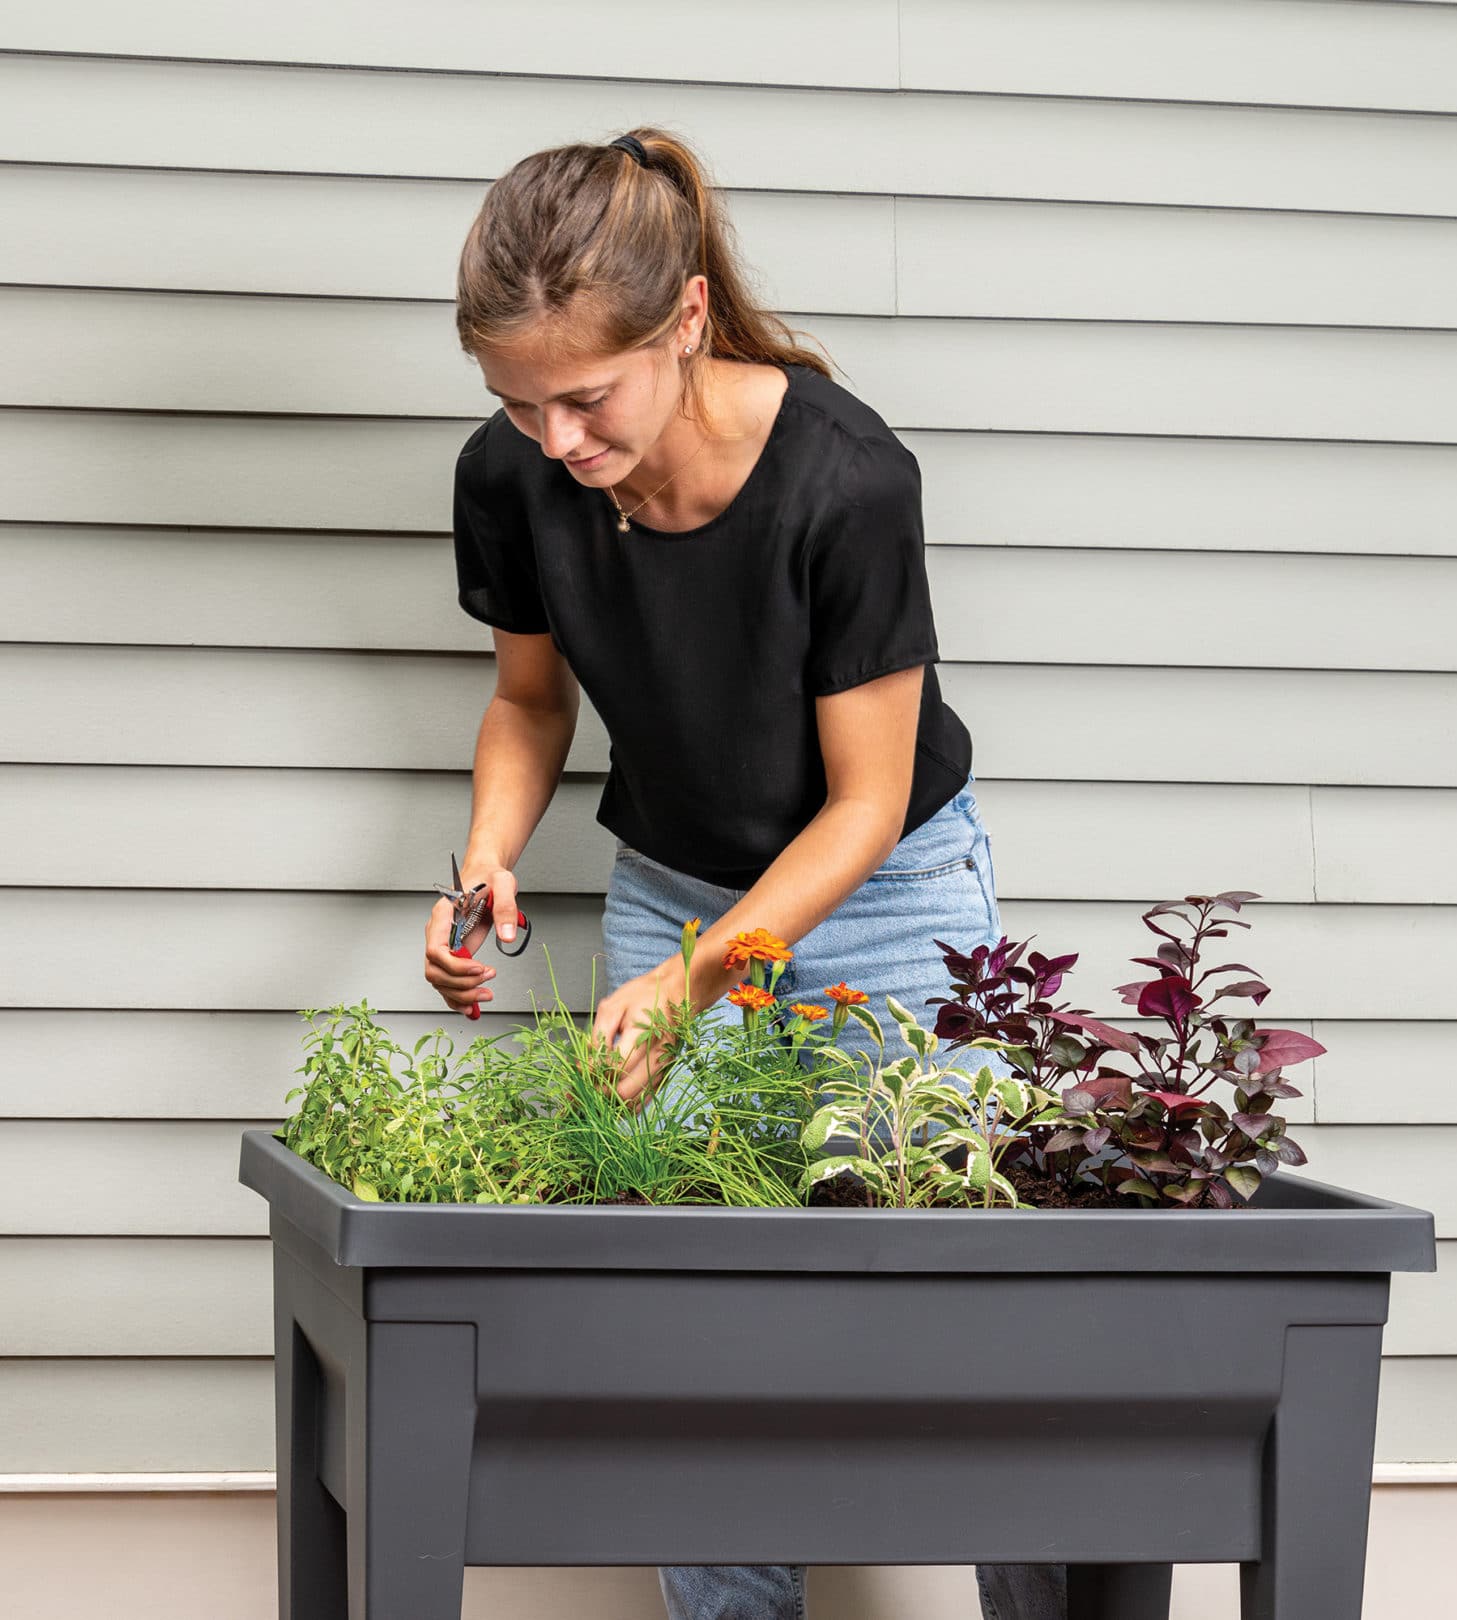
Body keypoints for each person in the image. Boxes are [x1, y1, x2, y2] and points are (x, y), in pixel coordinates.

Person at [421, 125, 1067, 1620]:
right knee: (686, 1317)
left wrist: (695, 982)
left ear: (689, 321)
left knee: (980, 1314)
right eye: (520, 406)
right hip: (676, 887)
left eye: (587, 399)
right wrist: (485, 868)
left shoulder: (845, 479)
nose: (558, 443)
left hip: (890, 896)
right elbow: (530, 701)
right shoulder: (514, 477)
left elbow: (865, 803)